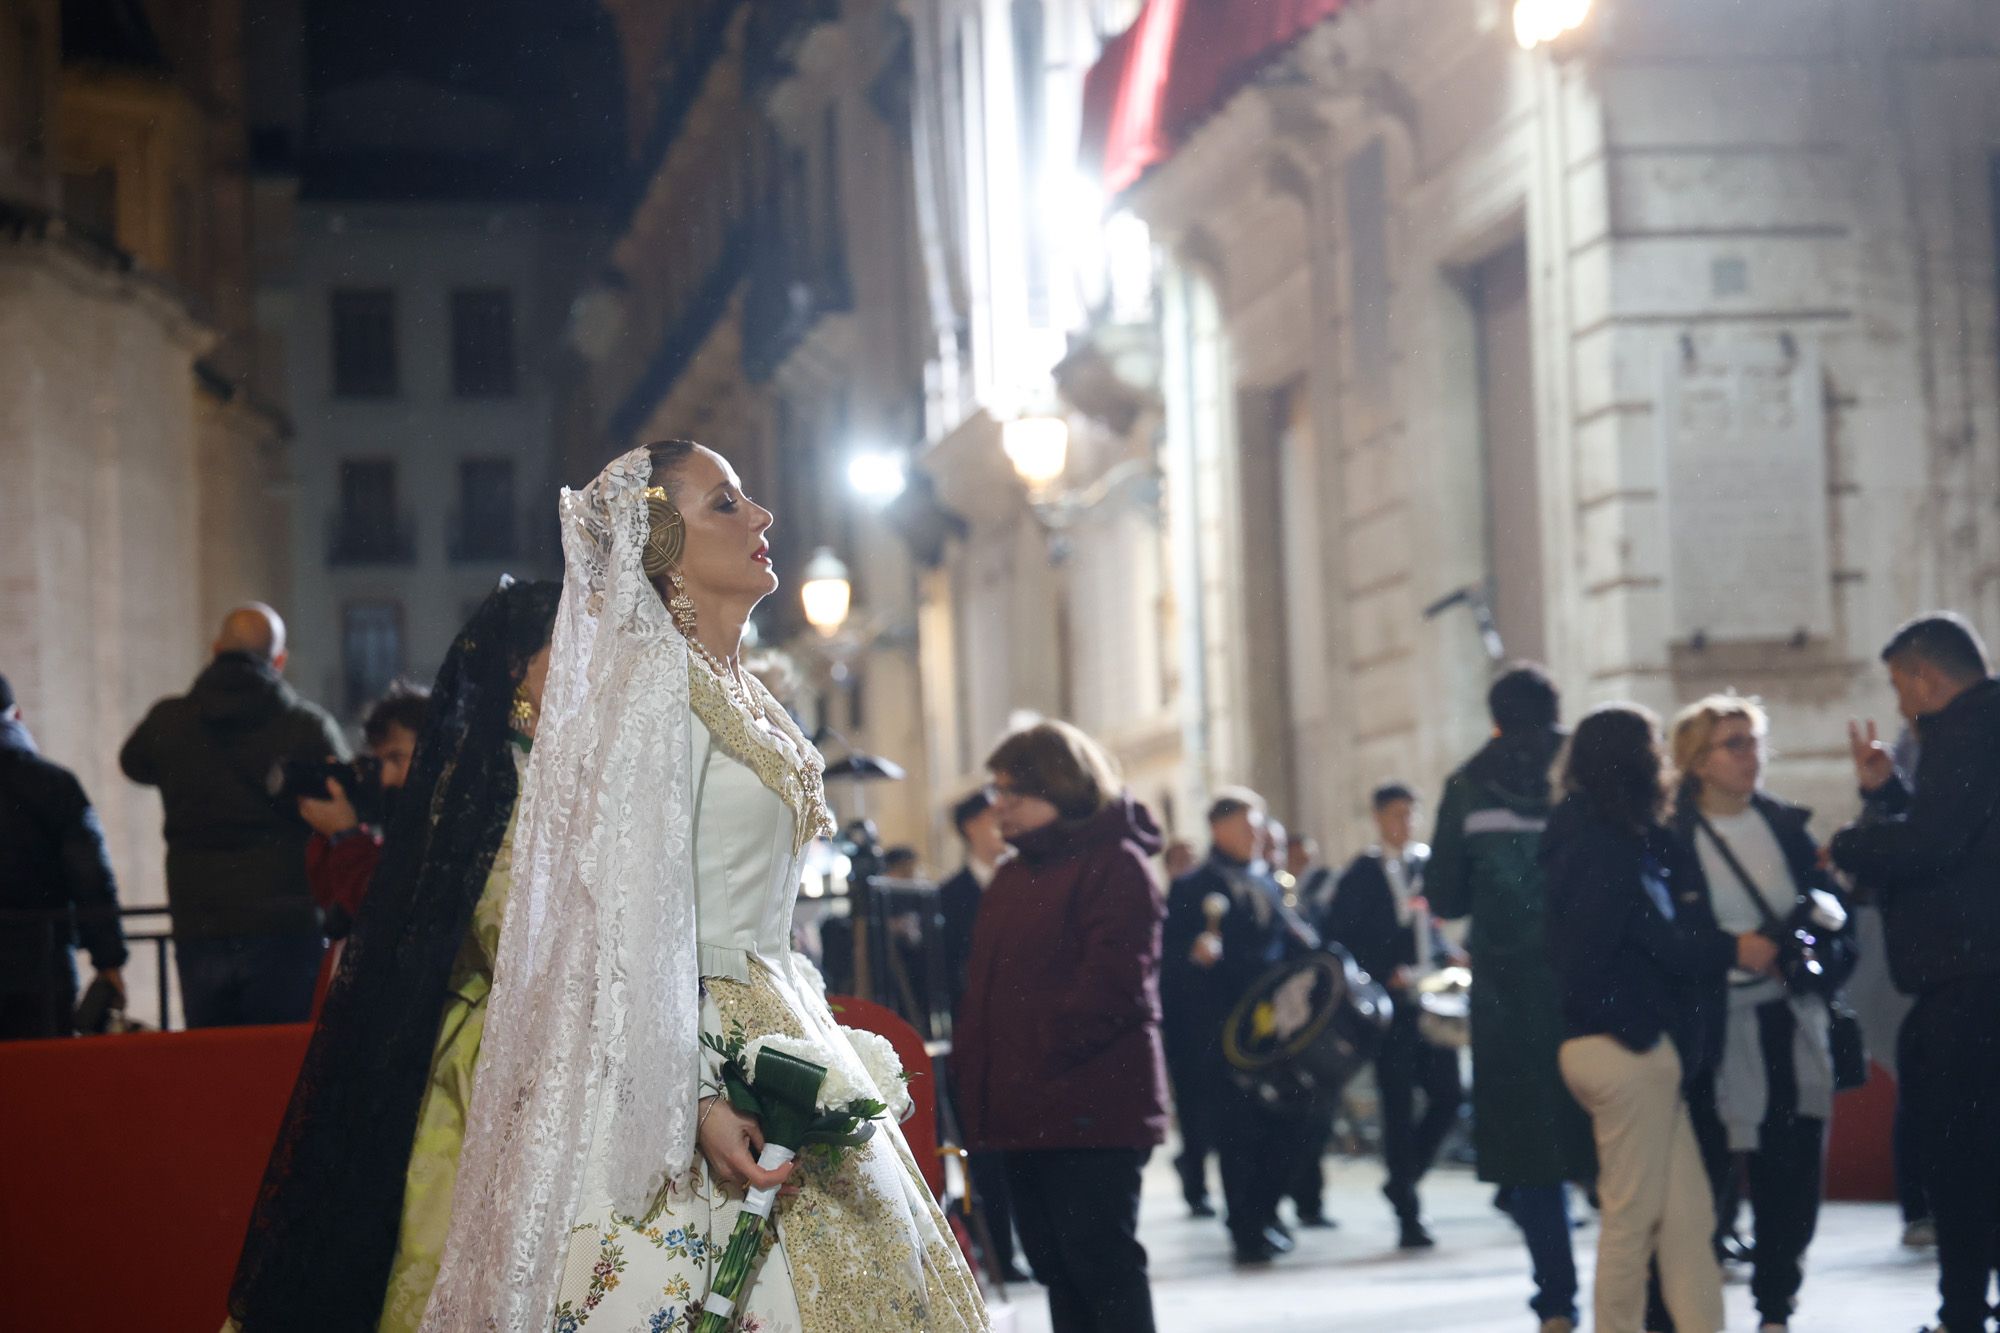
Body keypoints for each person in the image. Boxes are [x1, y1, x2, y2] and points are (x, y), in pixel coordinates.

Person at [421, 443, 985, 1330]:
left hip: (778, 1006)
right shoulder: (645, 698)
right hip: (688, 1045)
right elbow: (609, 925)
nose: (761, 517)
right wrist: (692, 1097)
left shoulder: (741, 691)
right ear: (660, 545)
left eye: (749, 498)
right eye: (726, 503)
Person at [226, 577, 561, 1331]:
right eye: (563, 652)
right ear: (517, 673)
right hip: (492, 1051)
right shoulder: (484, 784)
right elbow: (482, 921)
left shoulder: (580, 771)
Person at [1542, 704, 1777, 1333]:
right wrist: (1727, 949)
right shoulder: (1610, 844)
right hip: (1628, 1053)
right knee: (1632, 1221)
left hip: (1614, 1047)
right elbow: (1648, 942)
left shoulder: (1579, 834)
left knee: (1686, 1221)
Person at [955, 720, 1167, 1332]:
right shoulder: (1014, 876)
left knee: (1101, 1265)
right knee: (1054, 1266)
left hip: (1090, 1106)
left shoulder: (1115, 864)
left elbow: (1113, 988)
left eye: (1011, 794)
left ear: (1060, 788)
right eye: (996, 793)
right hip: (1024, 1108)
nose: (998, 809)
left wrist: (1031, 1057)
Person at [1829, 612, 2000, 1333]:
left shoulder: (1964, 734)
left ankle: (1961, 1312)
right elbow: (1955, 833)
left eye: (1901, 685)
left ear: (1928, 677)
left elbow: (1932, 845)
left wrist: (1852, 842)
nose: (1899, 703)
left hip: (1968, 985)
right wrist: (1889, 794)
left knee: (1960, 1160)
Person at [1665, 694, 1856, 1333]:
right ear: (1697, 761)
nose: (1752, 756)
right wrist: (1730, 948)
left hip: (1788, 1019)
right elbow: (1663, 935)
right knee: (1711, 1175)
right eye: (1735, 744)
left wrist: (1813, 958)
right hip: (1712, 1027)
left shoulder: (1784, 826)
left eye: (1756, 742)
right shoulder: (1672, 840)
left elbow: (1833, 921)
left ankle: (1777, 1307)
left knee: (1792, 1170)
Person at [1428, 663, 1593, 1333]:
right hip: (1593, 989)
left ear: (1495, 716)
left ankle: (1556, 1301)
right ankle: (1637, 1287)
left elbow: (1443, 896)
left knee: (1532, 1155)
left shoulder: (1467, 786)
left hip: (1509, 999)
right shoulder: (1586, 772)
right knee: (1614, 1144)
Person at [120, 603, 346, 1027]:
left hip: (198, 921)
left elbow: (132, 763)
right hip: (286, 923)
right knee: (282, 1068)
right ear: (278, 660)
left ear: (216, 649)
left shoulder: (169, 721)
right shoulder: (305, 726)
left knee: (210, 1066)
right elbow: (345, 801)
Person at [1162, 789, 1302, 1264]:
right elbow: (1167, 963)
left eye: (1260, 827)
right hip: (1223, 1033)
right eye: (1248, 827)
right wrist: (1193, 957)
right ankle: (1245, 1226)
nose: (1258, 835)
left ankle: (1264, 1212)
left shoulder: (1266, 882)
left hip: (1274, 1030)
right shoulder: (1192, 887)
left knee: (1283, 1128)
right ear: (1220, 829)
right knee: (1239, 1134)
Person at [1320, 782, 1461, 1250]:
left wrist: (1447, 956)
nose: (1406, 823)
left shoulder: (1425, 865)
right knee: (1397, 1106)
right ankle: (1408, 1212)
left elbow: (1430, 927)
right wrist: (1384, 972)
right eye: (1397, 814)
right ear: (1380, 817)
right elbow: (1343, 939)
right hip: (1390, 1009)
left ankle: (1404, 1178)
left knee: (1448, 1095)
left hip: (1430, 1001)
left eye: (1411, 813)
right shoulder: (1361, 873)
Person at [937, 788, 1030, 1285]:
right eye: (996, 816)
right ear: (973, 826)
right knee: (984, 1154)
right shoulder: (949, 897)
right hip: (978, 1046)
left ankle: (1030, 1244)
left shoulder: (1028, 884)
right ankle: (998, 1251)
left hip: (1029, 1042)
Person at [0, 673, 127, 1038]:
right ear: (18, 717)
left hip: (40, 962)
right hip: (41, 965)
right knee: (43, 1082)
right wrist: (109, 961)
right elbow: (90, 874)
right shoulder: (54, 785)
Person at [297, 682, 430, 940]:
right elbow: (332, 896)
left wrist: (347, 836)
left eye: (396, 758)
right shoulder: (396, 814)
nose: (385, 778)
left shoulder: (447, 821)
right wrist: (332, 835)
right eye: (380, 763)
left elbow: (386, 904)